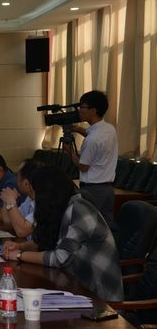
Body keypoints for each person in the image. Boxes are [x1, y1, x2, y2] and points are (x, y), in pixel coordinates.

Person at [2, 165, 123, 302]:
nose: (34, 198)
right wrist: (20, 246)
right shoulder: (62, 207)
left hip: (98, 295)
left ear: (47, 194)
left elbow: (60, 258)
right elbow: (49, 241)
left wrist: (20, 255)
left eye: (36, 193)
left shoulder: (79, 210)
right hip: (75, 287)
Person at [63, 90, 118, 228]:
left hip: (92, 191)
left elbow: (83, 166)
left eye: (82, 107)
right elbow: (91, 134)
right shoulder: (109, 129)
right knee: (106, 227)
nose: (79, 110)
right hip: (108, 189)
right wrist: (77, 129)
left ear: (93, 110)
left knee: (86, 226)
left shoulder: (91, 140)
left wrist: (70, 152)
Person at [0, 159, 38, 239]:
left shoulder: (42, 200)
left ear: (26, 183)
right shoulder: (29, 198)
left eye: (17, 177)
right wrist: (6, 201)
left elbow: (22, 231)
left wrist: (11, 202)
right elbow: (8, 223)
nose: (15, 180)